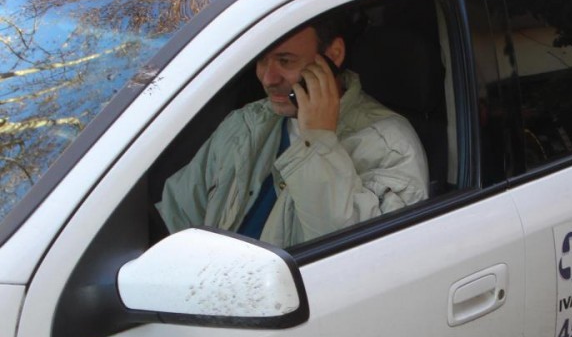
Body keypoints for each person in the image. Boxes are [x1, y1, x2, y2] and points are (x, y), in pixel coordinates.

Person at [157, 13, 429, 248]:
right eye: (261, 59)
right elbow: (178, 213)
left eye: (285, 61)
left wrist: (318, 143)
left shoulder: (389, 145)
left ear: (333, 55)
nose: (268, 78)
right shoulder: (248, 122)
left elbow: (353, 258)